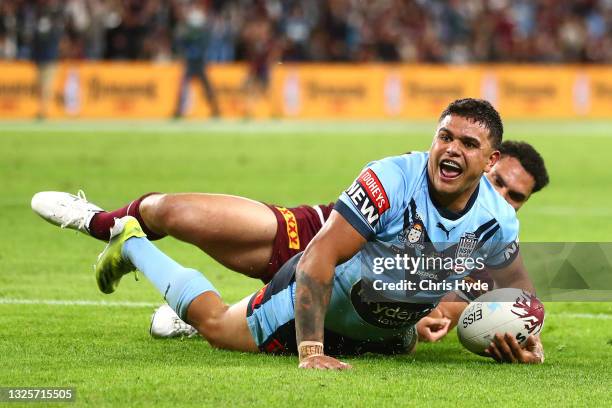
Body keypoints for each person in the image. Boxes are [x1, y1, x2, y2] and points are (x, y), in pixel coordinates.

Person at [32, 99, 545, 368]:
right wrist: (312, 351)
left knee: (396, 329)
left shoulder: (497, 225)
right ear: (432, 139)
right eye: (444, 136)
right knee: (184, 232)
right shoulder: (392, 178)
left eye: (468, 144)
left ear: (489, 158)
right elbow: (320, 260)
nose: (451, 150)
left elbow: (516, 287)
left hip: (378, 329)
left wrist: (527, 335)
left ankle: (198, 307)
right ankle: (121, 235)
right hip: (323, 250)